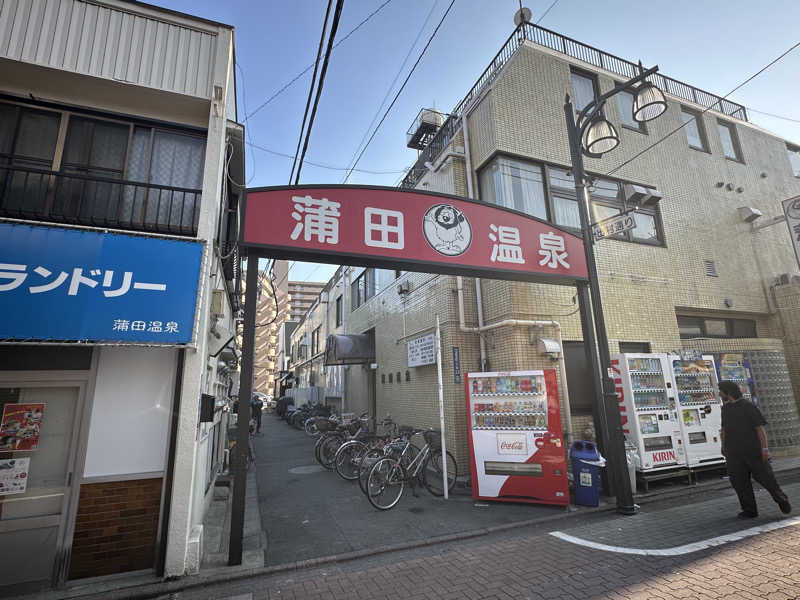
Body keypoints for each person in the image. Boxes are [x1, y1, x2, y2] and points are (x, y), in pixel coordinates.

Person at [719, 380, 791, 518]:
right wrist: (723, 446)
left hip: (753, 450)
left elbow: (760, 428)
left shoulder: (748, 406)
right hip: (734, 452)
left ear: (728, 392)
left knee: (765, 478)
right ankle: (749, 510)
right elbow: (724, 429)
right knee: (738, 481)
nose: (719, 393)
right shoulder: (725, 409)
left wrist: (764, 449)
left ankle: (781, 499)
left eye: (721, 390)